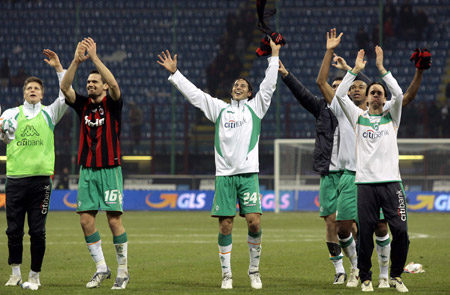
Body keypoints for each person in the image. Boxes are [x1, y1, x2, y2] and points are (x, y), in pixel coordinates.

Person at [157, 39, 281, 290]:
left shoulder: (256, 108)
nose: (238, 86)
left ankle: (254, 271)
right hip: (224, 176)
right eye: (236, 84)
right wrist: (176, 74)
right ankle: (227, 275)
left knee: (254, 222)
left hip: (248, 175)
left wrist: (274, 55)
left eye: (243, 85)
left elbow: (269, 84)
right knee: (225, 225)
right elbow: (196, 95)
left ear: (249, 93)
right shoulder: (220, 109)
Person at [335, 47, 410, 293]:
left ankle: (396, 276)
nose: (376, 95)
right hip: (365, 184)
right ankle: (366, 277)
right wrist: (354, 70)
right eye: (372, 92)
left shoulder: (393, 118)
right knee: (365, 234)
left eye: (380, 93)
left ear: (383, 98)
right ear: (366, 98)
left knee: (400, 231)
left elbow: (399, 94)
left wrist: (381, 70)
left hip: (391, 183)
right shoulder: (358, 117)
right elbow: (339, 96)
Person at [60, 38, 129, 290]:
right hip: (87, 170)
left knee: (113, 221)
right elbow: (65, 86)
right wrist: (76, 61)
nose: (90, 85)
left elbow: (114, 84)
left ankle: (123, 271)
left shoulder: (113, 104)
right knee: (86, 221)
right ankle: (102, 268)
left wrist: (96, 59)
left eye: (94, 82)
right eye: (88, 82)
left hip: (110, 170)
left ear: (102, 85)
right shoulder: (82, 105)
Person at [279, 28, 343, 285]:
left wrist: (352, 69)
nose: (335, 89)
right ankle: (339, 270)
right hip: (329, 173)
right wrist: (285, 75)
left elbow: (373, 87)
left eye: (341, 86)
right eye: (333, 85)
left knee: (351, 224)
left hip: (353, 174)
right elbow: (303, 93)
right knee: (330, 222)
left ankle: (361, 266)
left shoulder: (357, 112)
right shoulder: (323, 109)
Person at [1, 49, 68, 290]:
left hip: (41, 182)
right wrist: (2, 133)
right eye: (29, 88)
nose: (32, 90)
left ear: (42, 94)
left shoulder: (50, 113)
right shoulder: (10, 114)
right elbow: (5, 139)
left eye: (37, 88)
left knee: (38, 232)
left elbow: (66, 94)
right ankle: (15, 273)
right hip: (16, 180)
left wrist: (59, 68)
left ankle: (35, 275)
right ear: (23, 92)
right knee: (13, 230)